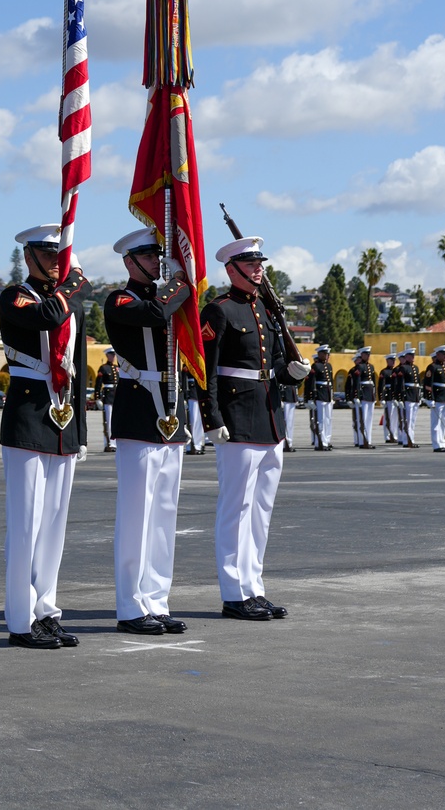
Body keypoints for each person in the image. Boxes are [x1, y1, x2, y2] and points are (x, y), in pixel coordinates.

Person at [198, 237, 311, 621]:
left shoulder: (266, 309)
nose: (259, 269)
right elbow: (206, 371)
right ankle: (233, 593)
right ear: (232, 270)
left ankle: (254, 587)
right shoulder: (219, 311)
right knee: (236, 508)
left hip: (269, 417)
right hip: (237, 419)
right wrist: (211, 417)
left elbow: (275, 364)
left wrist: (292, 374)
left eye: (260, 262)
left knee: (261, 510)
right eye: (250, 264)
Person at [0, 224, 91, 650]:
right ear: (29, 256)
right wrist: (70, 288)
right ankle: (20, 619)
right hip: (28, 413)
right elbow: (46, 317)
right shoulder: (16, 296)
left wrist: (82, 431)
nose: (56, 261)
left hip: (62, 417)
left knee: (54, 525)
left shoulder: (69, 302)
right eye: (48, 253)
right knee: (26, 524)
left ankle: (46, 611)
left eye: (61, 253)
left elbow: (78, 365)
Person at [104, 228, 192, 635]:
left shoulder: (164, 296)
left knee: (163, 517)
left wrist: (178, 286)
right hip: (139, 410)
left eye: (159, 256)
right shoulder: (120, 300)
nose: (156, 262)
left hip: (170, 411)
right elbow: (156, 313)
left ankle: (157, 599)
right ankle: (130, 606)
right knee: (137, 515)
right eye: (148, 257)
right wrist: (182, 284)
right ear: (129, 262)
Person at [423, 345, 445, 451]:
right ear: (438, 355)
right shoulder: (432, 367)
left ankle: (442, 443)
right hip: (437, 397)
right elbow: (428, 384)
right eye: (443, 354)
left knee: (443, 422)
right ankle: (436, 444)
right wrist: (429, 398)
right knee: (436, 422)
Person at [304, 345, 334, 450]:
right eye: (324, 354)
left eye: (327, 354)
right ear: (319, 354)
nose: (326, 356)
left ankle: (326, 440)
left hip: (327, 394)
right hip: (320, 394)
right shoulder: (315, 366)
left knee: (328, 419)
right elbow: (311, 383)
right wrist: (310, 398)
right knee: (320, 419)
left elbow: (331, 382)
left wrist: (332, 395)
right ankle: (319, 442)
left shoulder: (329, 366)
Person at [94, 348, 119, 452]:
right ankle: (109, 443)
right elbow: (98, 383)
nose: (113, 357)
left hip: (116, 395)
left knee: (116, 420)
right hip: (108, 396)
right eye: (111, 355)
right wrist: (97, 397)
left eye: (114, 355)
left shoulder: (117, 368)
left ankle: (116, 442)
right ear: (107, 356)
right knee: (108, 420)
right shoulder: (103, 368)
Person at [396, 349, 420, 448]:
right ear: (406, 357)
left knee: (413, 420)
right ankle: (407, 440)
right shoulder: (403, 368)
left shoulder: (416, 368)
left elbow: (418, 383)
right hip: (408, 395)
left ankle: (411, 439)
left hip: (414, 395)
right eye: (410, 356)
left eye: (413, 355)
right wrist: (400, 398)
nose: (412, 357)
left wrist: (419, 396)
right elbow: (400, 384)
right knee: (407, 419)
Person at [183, 368, 206, 454]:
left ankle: (198, 445)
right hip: (191, 387)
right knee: (194, 419)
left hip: (198, 387)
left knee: (198, 419)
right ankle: (194, 445)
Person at [377, 353, 398, 445]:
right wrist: (381, 397)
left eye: (394, 360)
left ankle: (395, 435)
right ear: (387, 361)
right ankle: (388, 436)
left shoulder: (396, 371)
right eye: (391, 360)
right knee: (387, 417)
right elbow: (381, 385)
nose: (393, 362)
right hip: (388, 396)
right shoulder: (384, 372)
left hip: (395, 397)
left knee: (395, 418)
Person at [280, 379, 298, 452]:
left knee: (290, 422)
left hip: (291, 396)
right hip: (285, 396)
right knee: (285, 422)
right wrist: (280, 398)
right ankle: (284, 443)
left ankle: (289, 442)